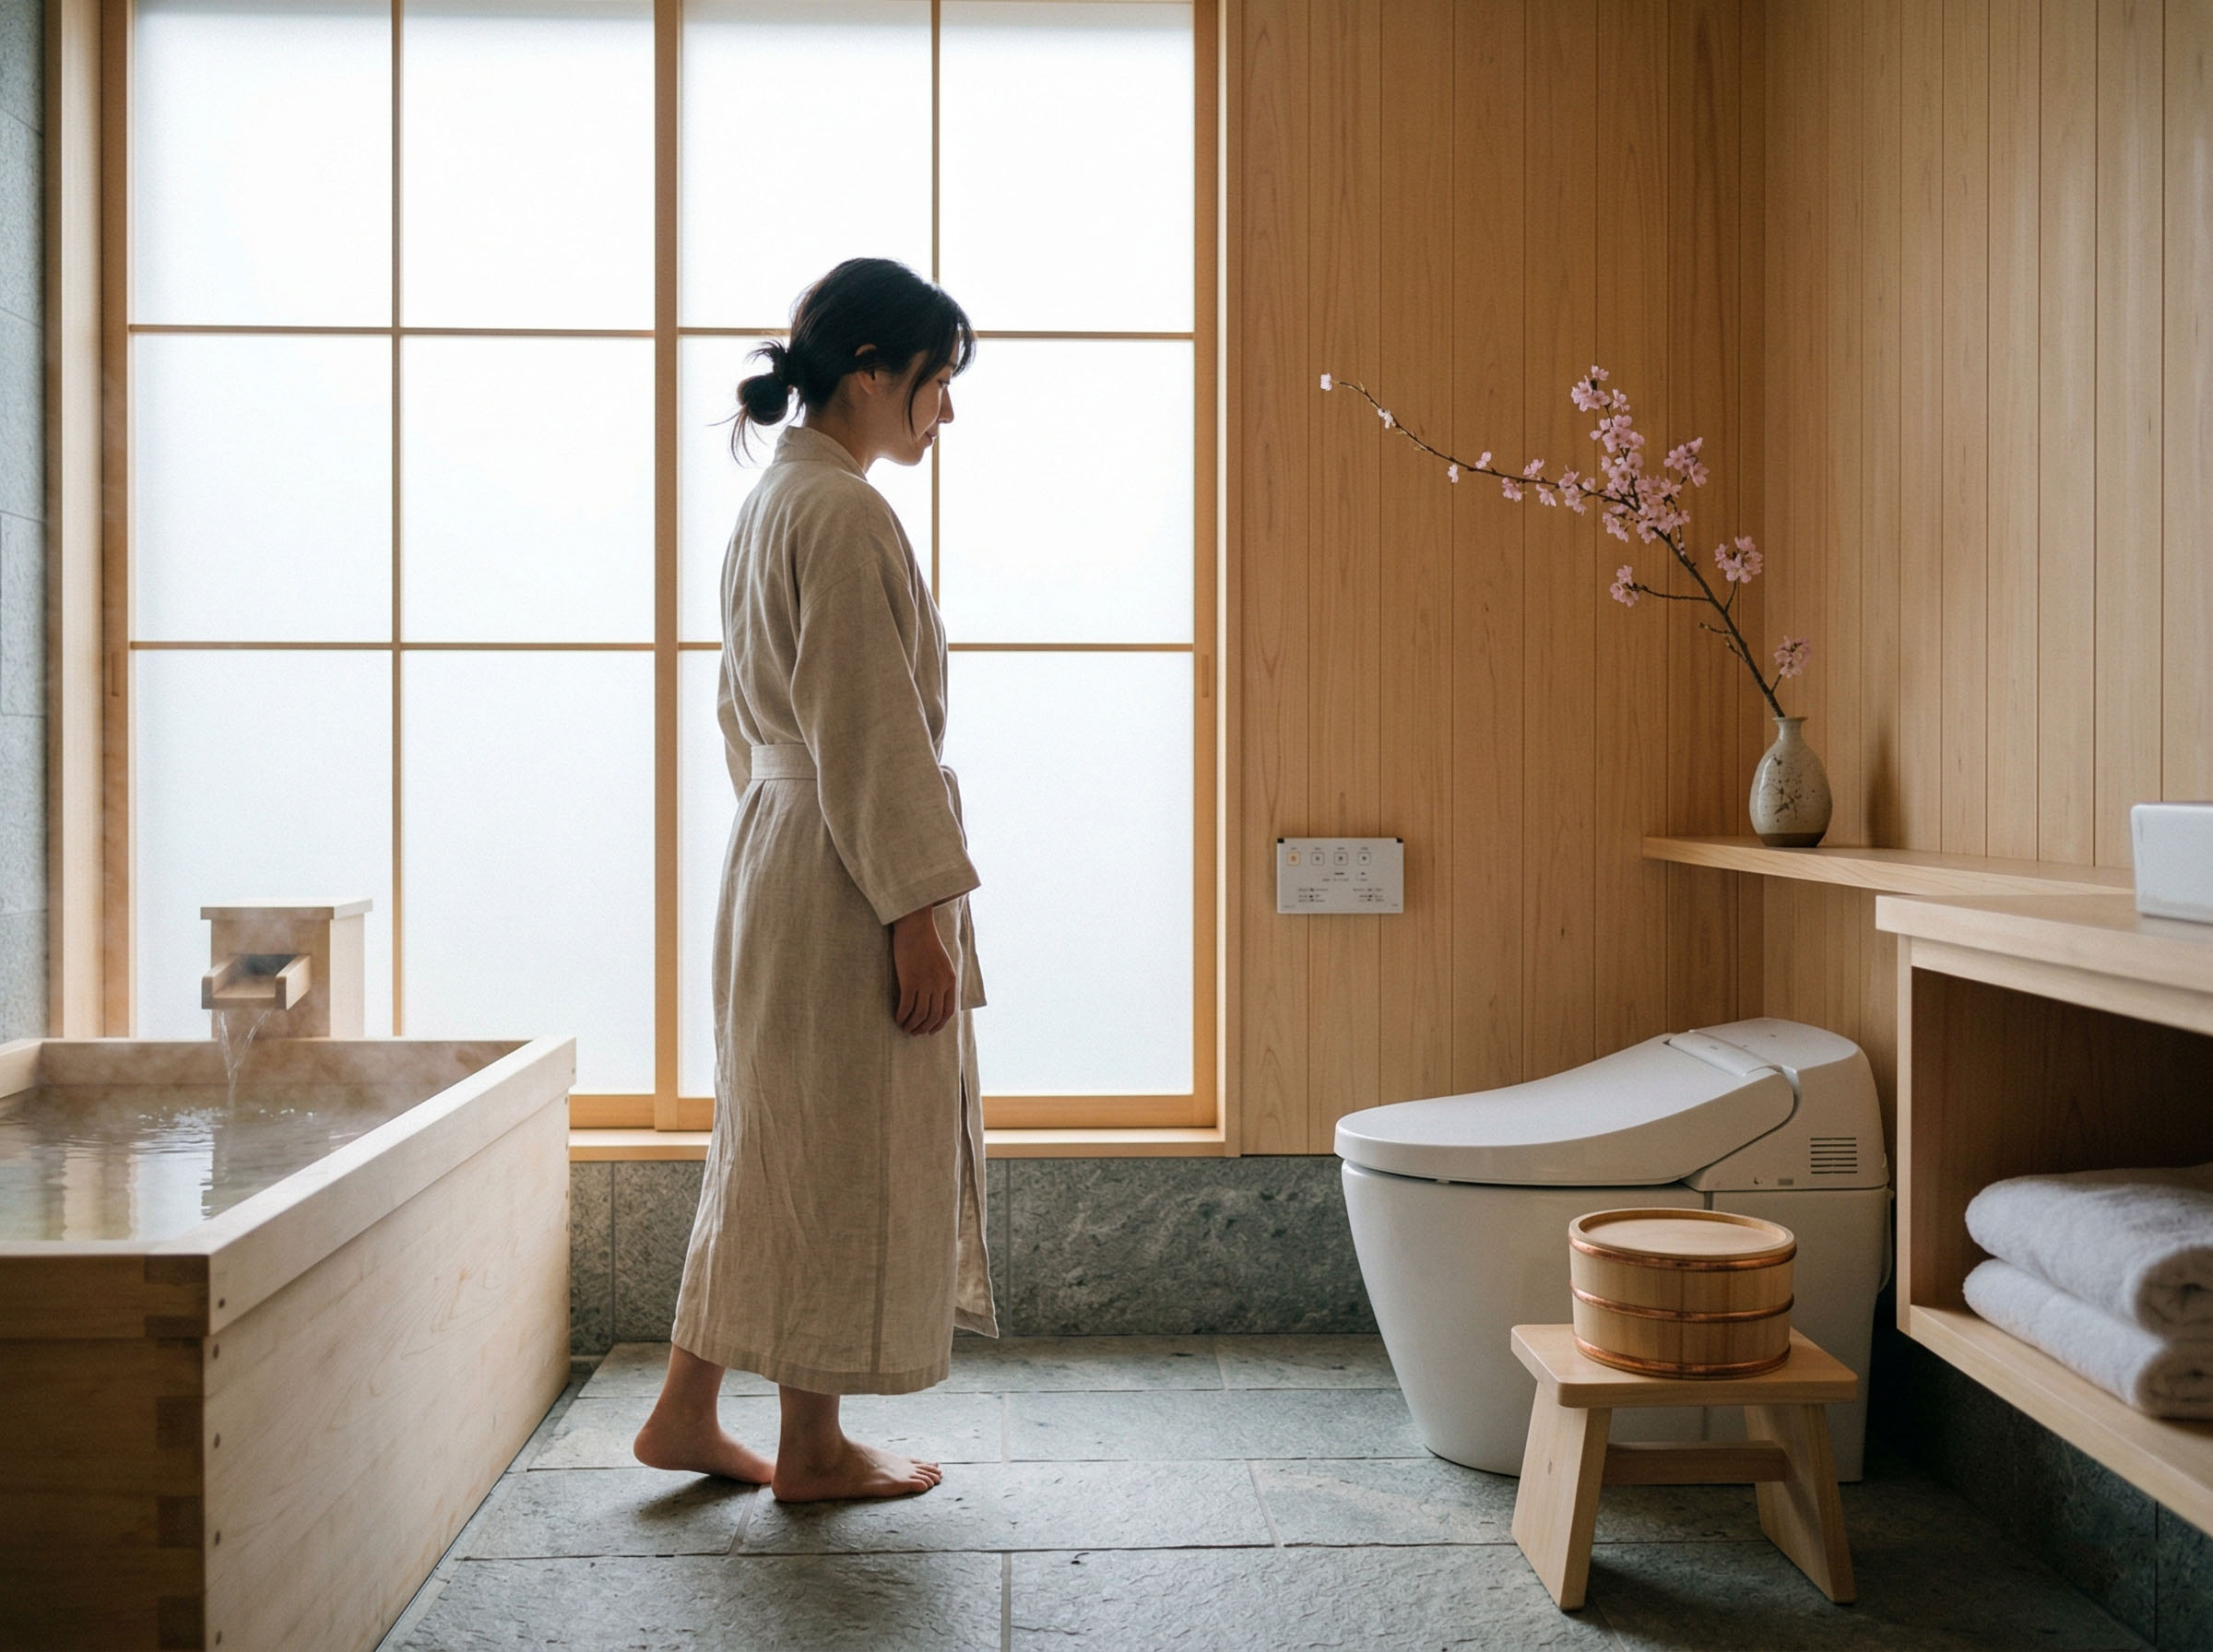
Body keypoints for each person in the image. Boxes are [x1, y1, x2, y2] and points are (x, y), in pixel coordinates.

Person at [632, 258, 993, 1501]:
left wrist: (790, 831)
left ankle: (688, 1412)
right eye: (937, 380)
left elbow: (754, 721)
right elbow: (866, 727)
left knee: (772, 1143)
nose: (945, 409)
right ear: (872, 372)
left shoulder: (777, 501)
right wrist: (913, 915)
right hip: (843, 867)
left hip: (782, 846)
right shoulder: (838, 511)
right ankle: (814, 1447)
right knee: (829, 1149)